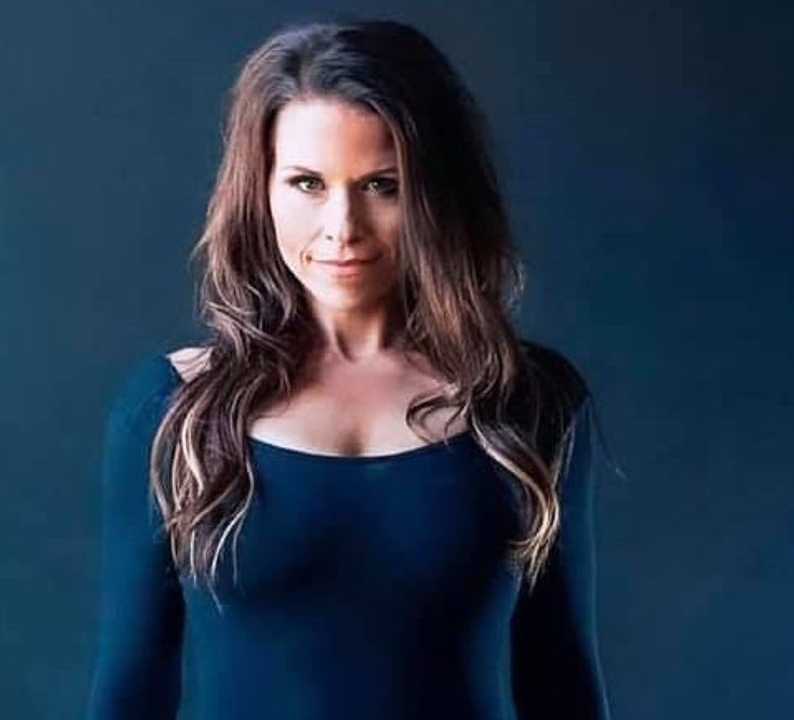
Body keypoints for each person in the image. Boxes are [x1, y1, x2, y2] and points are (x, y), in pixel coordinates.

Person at [88, 19, 611, 720]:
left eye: (381, 185)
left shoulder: (528, 404)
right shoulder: (175, 409)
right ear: (260, 189)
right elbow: (129, 692)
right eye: (307, 183)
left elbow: (562, 684)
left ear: (436, 194)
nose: (343, 227)